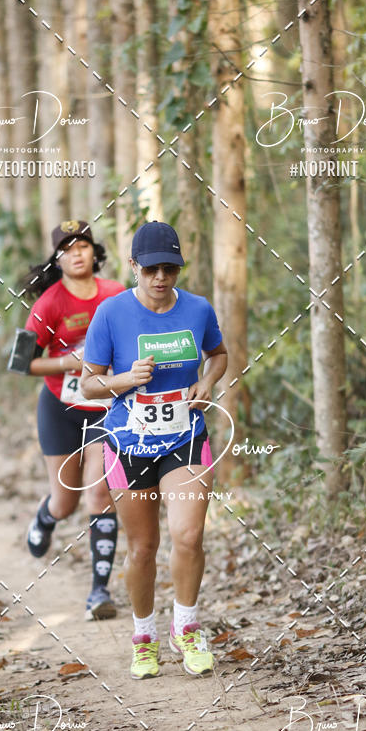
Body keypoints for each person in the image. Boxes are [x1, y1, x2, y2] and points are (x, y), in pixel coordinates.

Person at [80, 221, 228, 679]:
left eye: (170, 268)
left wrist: (207, 382)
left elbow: (219, 354)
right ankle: (143, 636)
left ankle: (186, 626)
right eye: (150, 269)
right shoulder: (111, 313)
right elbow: (88, 383)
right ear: (133, 267)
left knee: (189, 535)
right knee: (143, 547)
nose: (160, 277)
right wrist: (127, 379)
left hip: (185, 437)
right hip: (129, 443)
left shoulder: (198, 309)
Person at [23, 220, 124, 621]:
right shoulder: (48, 304)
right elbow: (22, 362)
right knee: (66, 502)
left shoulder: (116, 294)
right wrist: (69, 362)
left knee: (100, 494)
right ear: (57, 259)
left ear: (94, 252)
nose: (76, 253)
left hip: (106, 409)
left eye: (83, 245)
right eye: (67, 249)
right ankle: (46, 516)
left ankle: (99, 591)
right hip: (59, 408)